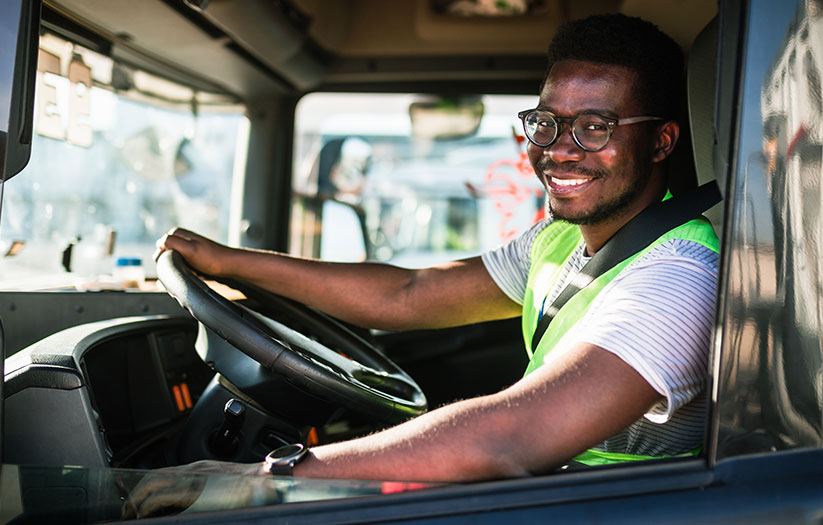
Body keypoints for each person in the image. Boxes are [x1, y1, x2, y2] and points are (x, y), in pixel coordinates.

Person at [127, 12, 718, 516]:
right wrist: (230, 263)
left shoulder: (679, 274)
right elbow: (409, 293)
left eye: (595, 127)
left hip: (612, 507)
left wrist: (269, 480)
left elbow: (511, 436)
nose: (558, 148)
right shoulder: (559, 240)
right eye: (547, 123)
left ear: (662, 142)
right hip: (552, 492)